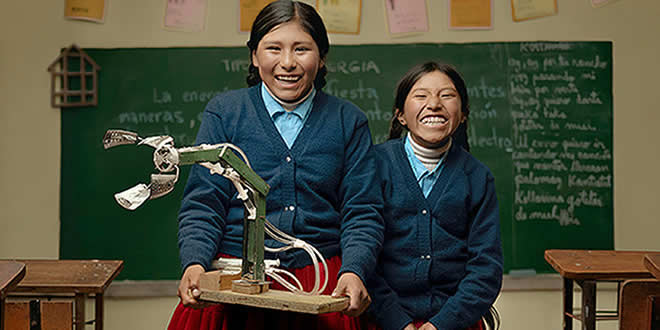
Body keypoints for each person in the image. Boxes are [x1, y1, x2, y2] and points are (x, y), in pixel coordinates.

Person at [167, 1, 384, 329]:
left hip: (321, 282)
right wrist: (195, 263)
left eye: (301, 49)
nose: (287, 63)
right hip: (232, 281)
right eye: (273, 48)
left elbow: (362, 211)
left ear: (321, 56)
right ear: (254, 55)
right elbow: (203, 204)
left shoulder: (348, 121)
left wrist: (354, 270)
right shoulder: (225, 113)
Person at [365, 62, 503, 330]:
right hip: (382, 321)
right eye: (421, 95)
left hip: (456, 322)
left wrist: (441, 324)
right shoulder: (373, 166)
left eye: (447, 95)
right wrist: (397, 322)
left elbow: (486, 269)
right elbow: (361, 252)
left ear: (463, 114)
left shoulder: (477, 177)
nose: (434, 104)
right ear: (400, 115)